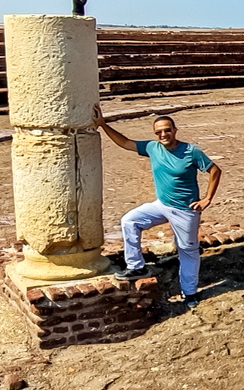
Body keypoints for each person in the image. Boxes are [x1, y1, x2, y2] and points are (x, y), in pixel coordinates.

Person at [92, 105, 223, 305]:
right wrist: (103, 125)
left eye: (167, 130)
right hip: (162, 205)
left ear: (175, 130)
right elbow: (125, 143)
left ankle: (189, 293)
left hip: (184, 210)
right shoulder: (152, 148)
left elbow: (215, 171)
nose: (163, 134)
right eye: (159, 132)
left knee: (187, 250)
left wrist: (207, 199)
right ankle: (136, 266)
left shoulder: (191, 151)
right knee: (129, 221)